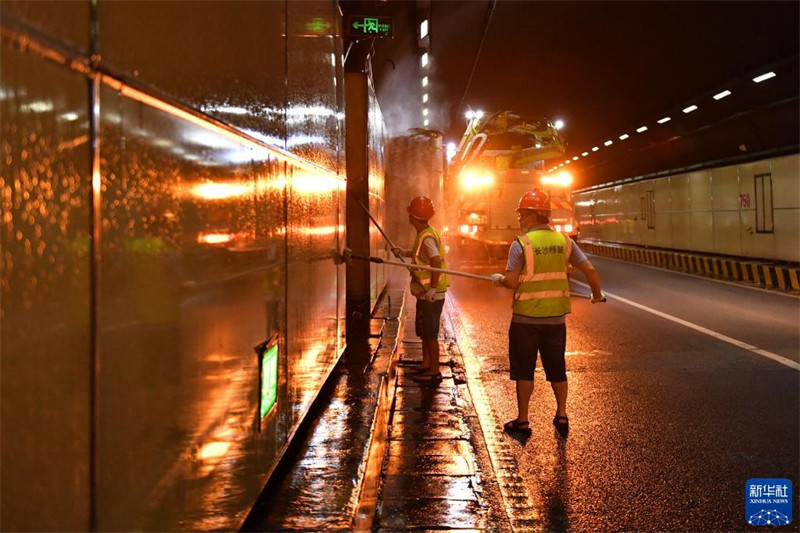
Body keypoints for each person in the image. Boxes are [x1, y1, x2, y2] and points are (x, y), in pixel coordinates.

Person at [491, 190, 605, 436]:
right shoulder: (565, 241)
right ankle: (562, 414)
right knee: (556, 366)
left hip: (525, 319)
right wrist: (596, 295)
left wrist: (499, 279)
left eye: (522, 213)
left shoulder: (521, 244)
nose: (520, 218)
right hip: (555, 319)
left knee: (524, 369)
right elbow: (591, 270)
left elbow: (512, 282)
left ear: (533, 216)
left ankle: (523, 420)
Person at [392, 195, 449, 384]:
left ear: (413, 216)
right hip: (425, 293)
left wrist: (432, 288)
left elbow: (435, 260)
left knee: (431, 333)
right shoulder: (425, 234)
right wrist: (404, 252)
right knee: (425, 330)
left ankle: (434, 370)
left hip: (431, 294)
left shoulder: (426, 238)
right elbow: (421, 256)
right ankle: (426, 363)